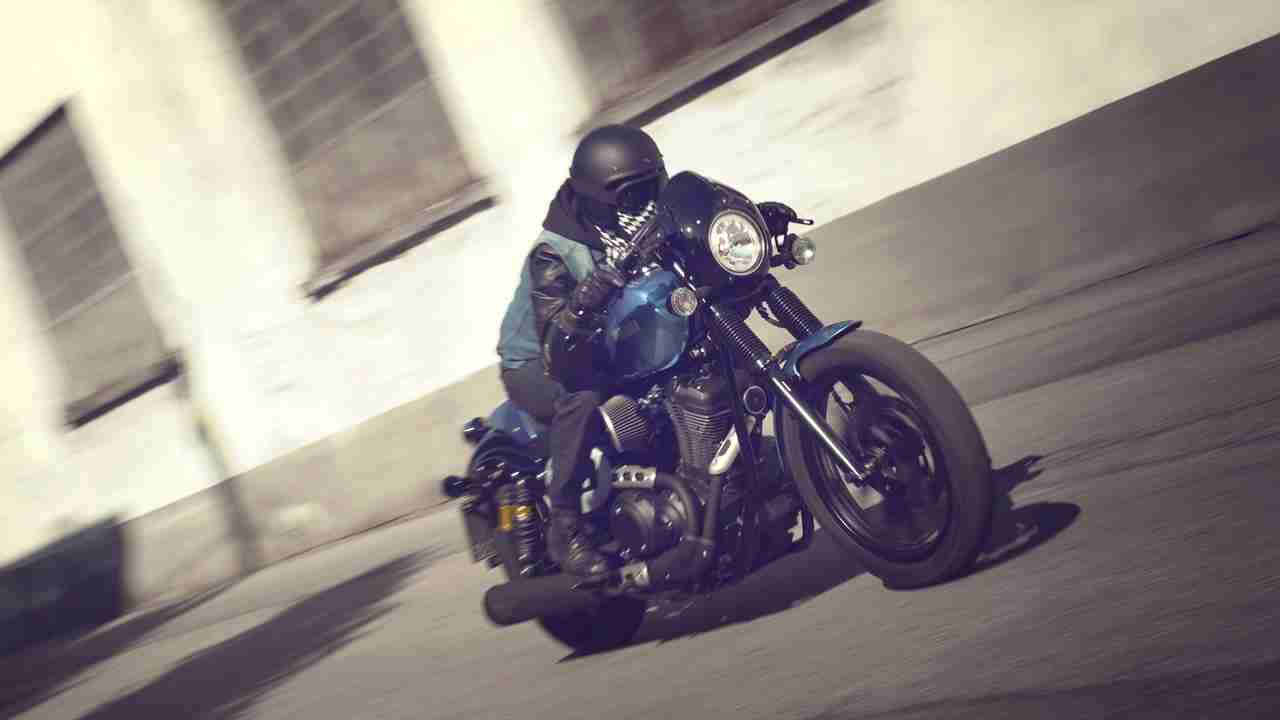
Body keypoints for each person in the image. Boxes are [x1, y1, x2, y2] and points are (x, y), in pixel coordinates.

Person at [495, 124, 668, 576]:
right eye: (631, 195)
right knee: (584, 396)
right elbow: (558, 342)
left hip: (602, 343)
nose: (643, 203)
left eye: (649, 187)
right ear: (599, 199)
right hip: (539, 361)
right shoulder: (554, 251)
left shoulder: (647, 223)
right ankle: (565, 524)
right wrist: (590, 292)